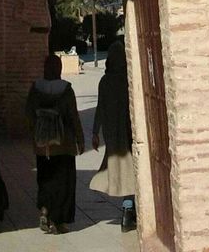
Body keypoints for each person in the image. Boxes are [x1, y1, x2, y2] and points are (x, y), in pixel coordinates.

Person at [25, 53, 85, 234]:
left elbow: (29, 113)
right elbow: (73, 116)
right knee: (64, 182)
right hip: (64, 144)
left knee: (45, 178)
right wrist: (80, 139)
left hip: (44, 146)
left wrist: (36, 133)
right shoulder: (66, 90)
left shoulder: (35, 89)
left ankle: (44, 209)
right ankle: (60, 221)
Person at [89, 39, 136, 230]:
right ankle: (128, 210)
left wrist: (95, 133)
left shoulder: (105, 81)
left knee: (123, 170)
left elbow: (100, 108)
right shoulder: (128, 79)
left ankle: (128, 209)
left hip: (112, 133)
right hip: (129, 131)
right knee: (131, 170)